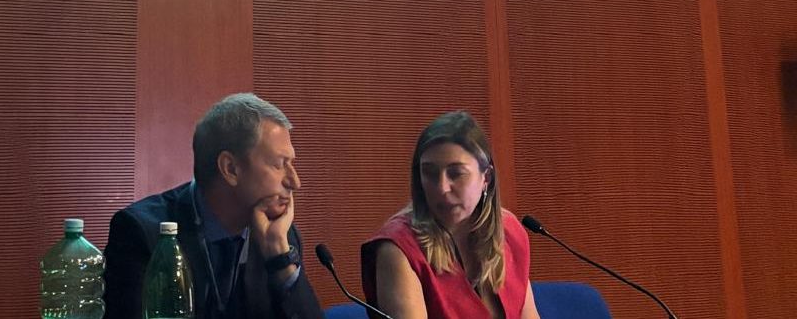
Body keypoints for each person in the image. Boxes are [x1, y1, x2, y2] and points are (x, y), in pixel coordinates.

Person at [103, 93, 323, 319]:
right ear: (230, 169)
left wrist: (280, 260)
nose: (295, 182)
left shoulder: (279, 235)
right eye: (279, 164)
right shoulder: (141, 233)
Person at [361, 111, 541, 319]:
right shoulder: (399, 248)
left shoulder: (509, 231)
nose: (442, 188)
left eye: (456, 173)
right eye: (429, 173)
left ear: (487, 178)